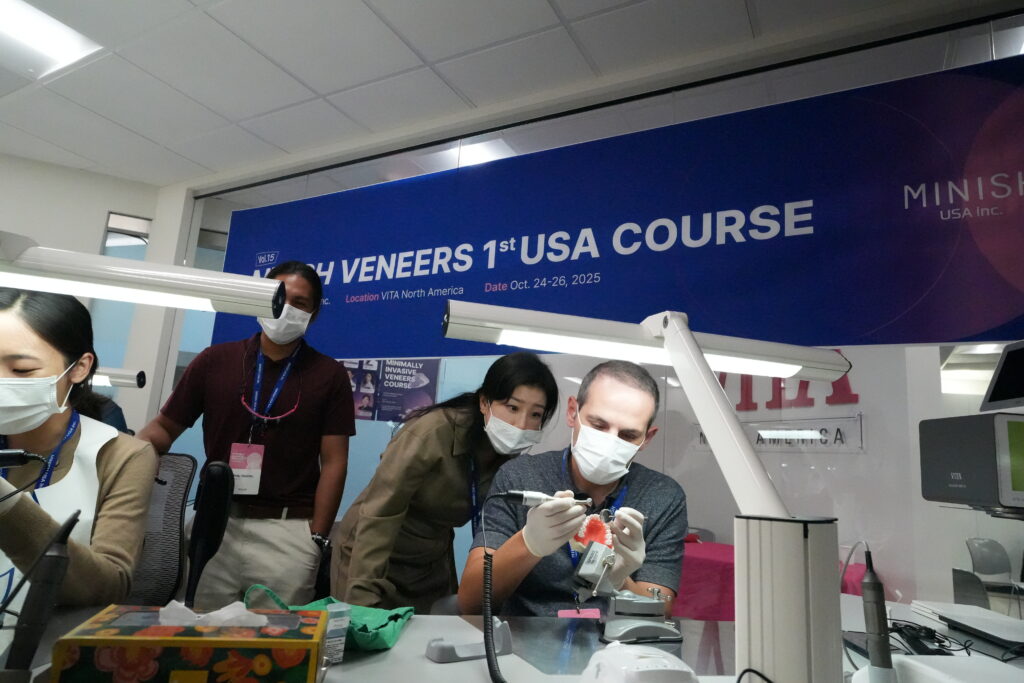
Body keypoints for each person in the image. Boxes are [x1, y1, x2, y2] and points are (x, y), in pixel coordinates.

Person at [137, 261, 354, 608]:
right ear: (261, 300)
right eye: (280, 297)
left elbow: (334, 462)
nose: (287, 309)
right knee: (199, 631)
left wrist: (316, 537)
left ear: (313, 314)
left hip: (289, 533)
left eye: (300, 303)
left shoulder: (330, 376)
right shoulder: (214, 361)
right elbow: (164, 428)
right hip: (214, 523)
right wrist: (123, 455)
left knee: (279, 637)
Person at [332, 352, 558, 613]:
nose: (521, 424)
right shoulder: (431, 432)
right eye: (512, 408)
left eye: (535, 414)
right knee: (368, 627)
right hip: (372, 550)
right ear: (484, 402)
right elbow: (380, 514)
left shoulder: (510, 457)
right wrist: (363, 599)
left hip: (430, 560)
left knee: (435, 633)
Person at [458, 360, 686, 616]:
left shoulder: (663, 496)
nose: (609, 443)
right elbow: (470, 601)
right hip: (526, 634)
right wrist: (529, 543)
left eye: (627, 436)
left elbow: (660, 611)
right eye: (598, 425)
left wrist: (619, 580)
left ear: (647, 438)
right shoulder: (519, 477)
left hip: (616, 636)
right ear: (572, 412)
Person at [0, 290, 157, 621]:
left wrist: (6, 503)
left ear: (79, 368)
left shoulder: (121, 456)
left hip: (42, 641)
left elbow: (109, 584)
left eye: (22, 370)